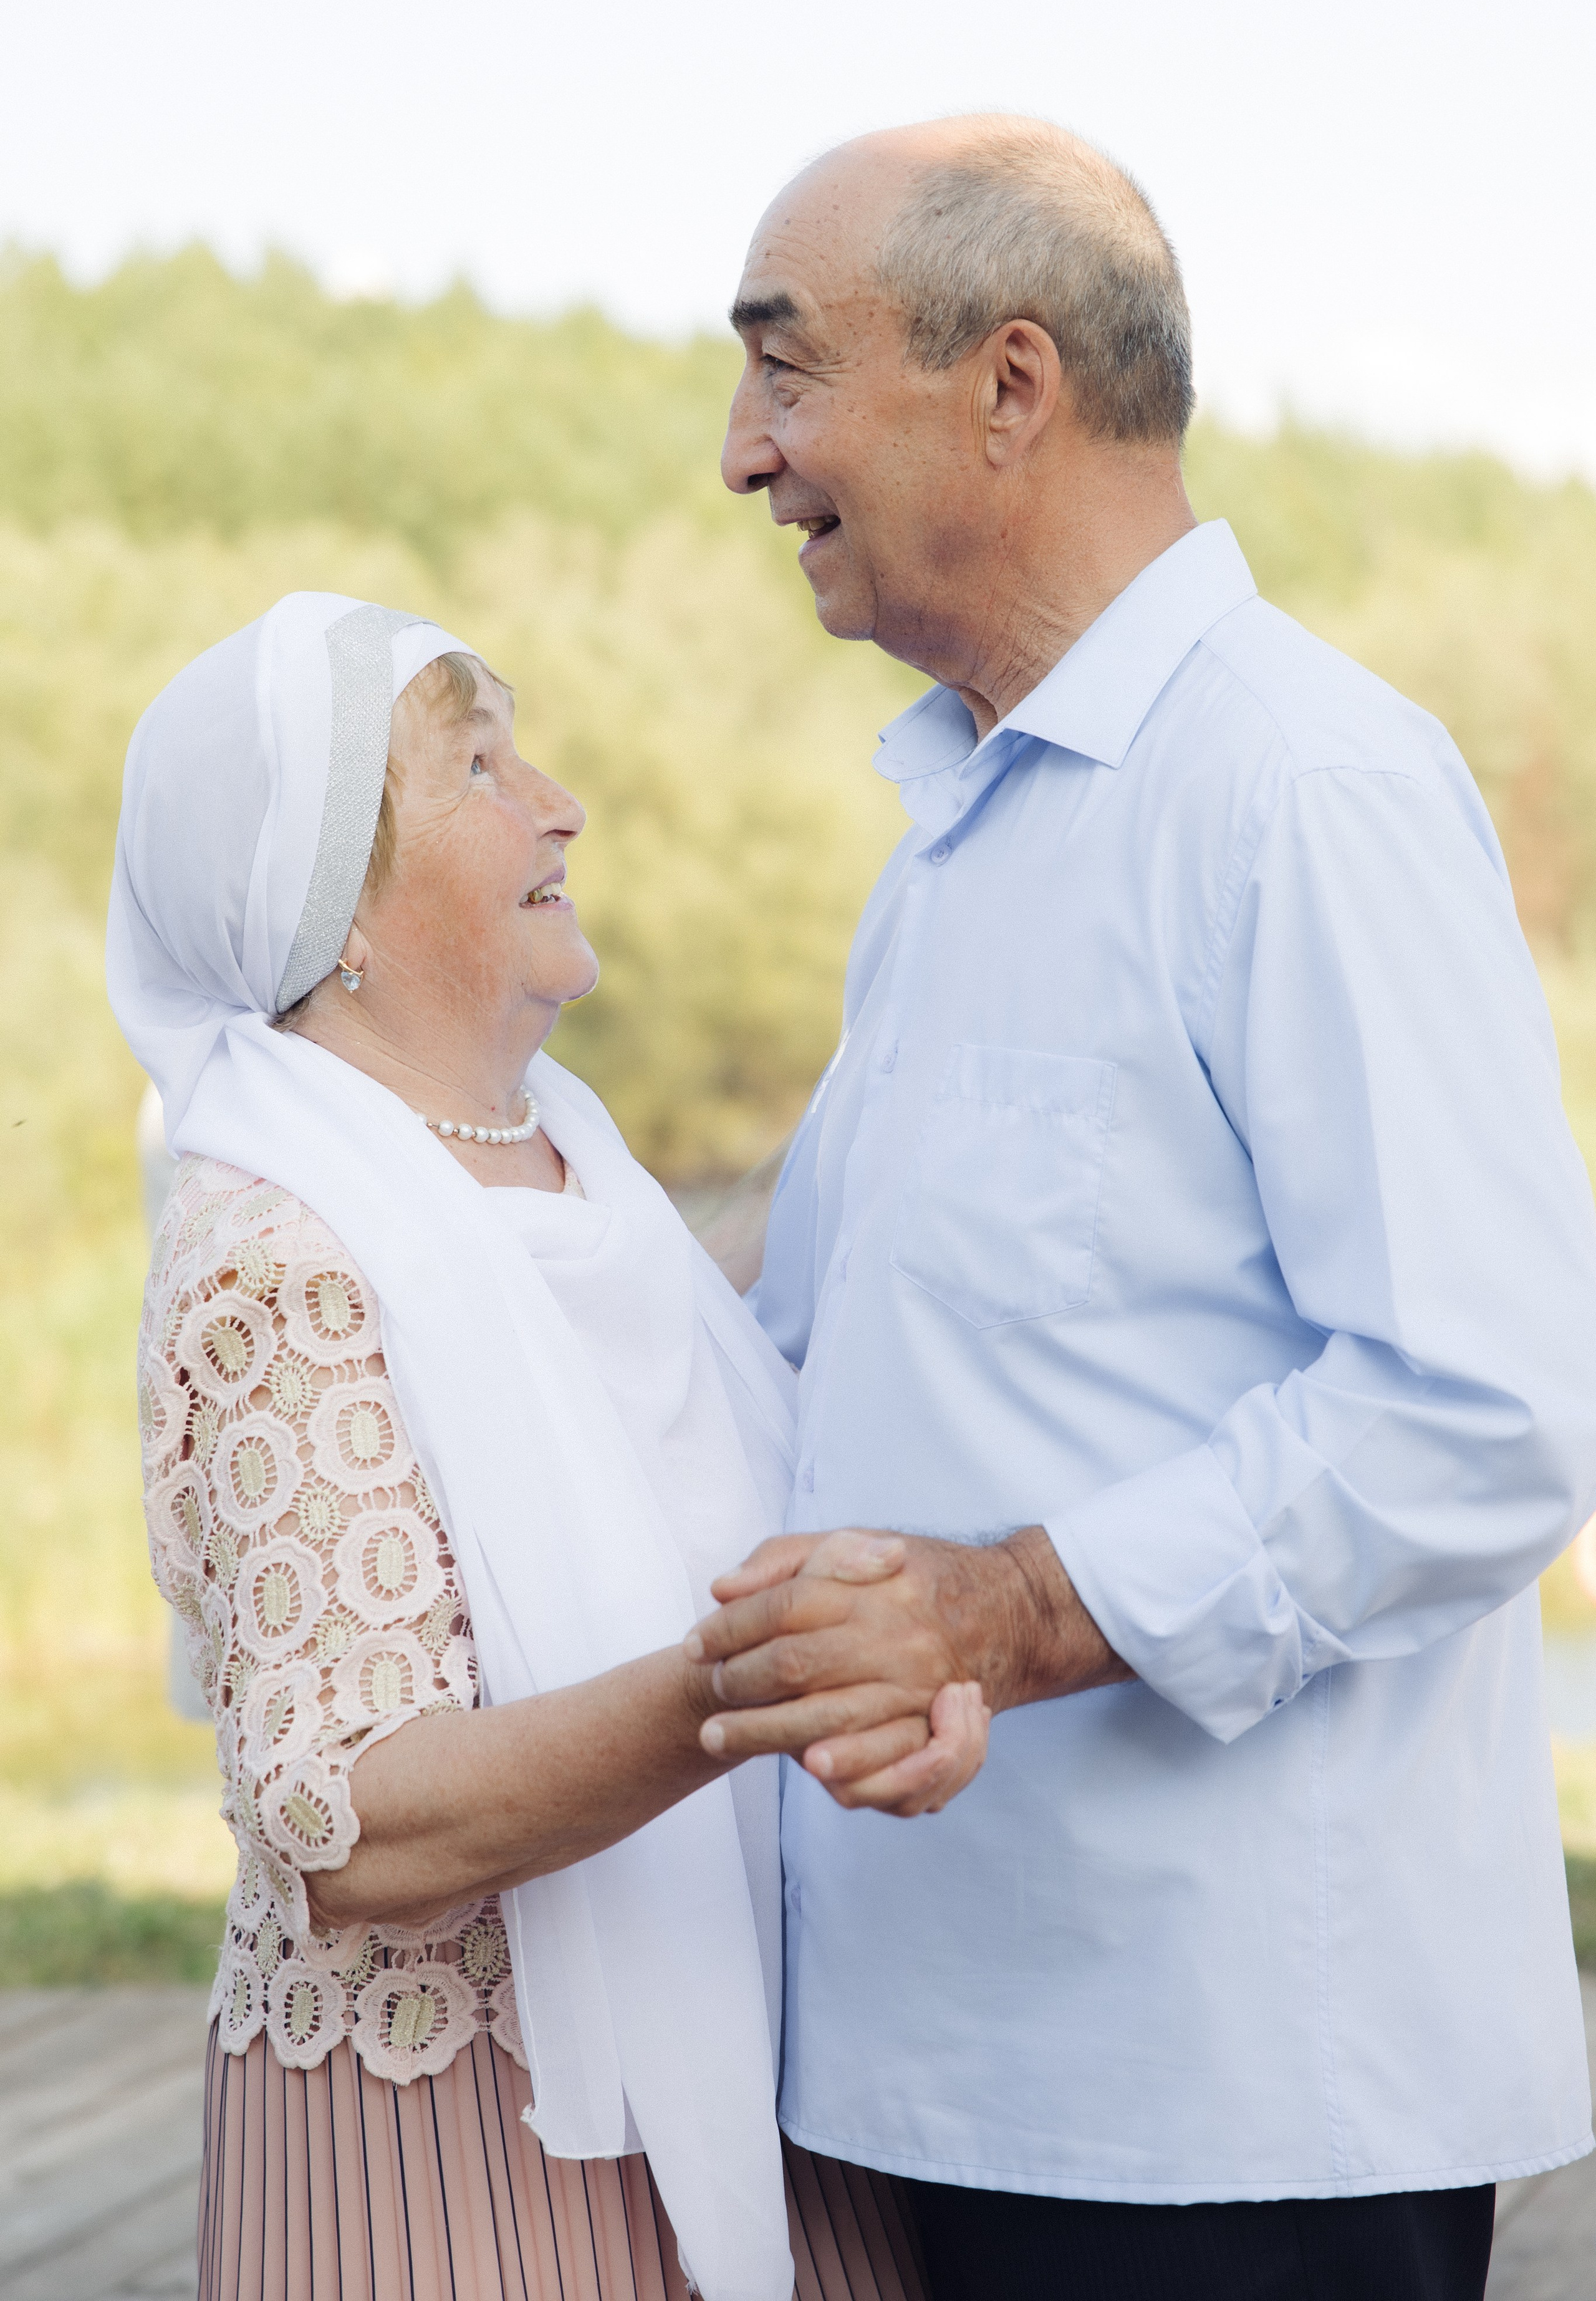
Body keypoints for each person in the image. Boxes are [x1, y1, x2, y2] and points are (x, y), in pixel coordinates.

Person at [690, 115, 1596, 2300]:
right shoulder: (952, 851)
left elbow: (1490, 1409)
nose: (742, 455)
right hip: (936, 2090)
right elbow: (813, 1374)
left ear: (1013, 384)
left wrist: (1004, 1613)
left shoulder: (1306, 786)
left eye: (786, 369)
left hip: (1229, 2120)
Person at [110, 593, 988, 2301]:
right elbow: (347, 1819)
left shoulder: (586, 1175)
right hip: (458, 2167)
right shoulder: (278, 1253)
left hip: (750, 2072)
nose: (559, 800)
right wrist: (741, 1690)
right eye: (482, 762)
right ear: (332, 900)